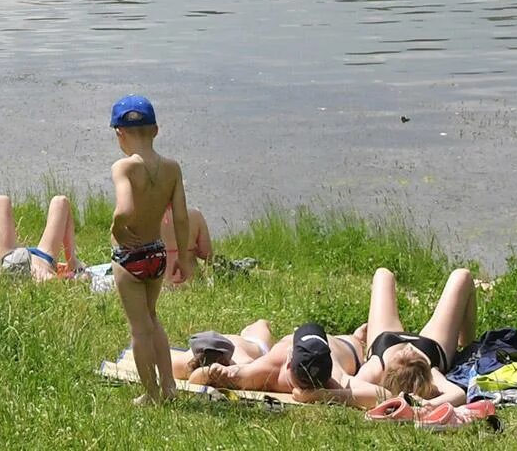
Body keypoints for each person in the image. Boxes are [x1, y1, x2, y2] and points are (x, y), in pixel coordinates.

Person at [107, 95, 194, 405]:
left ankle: (152, 393)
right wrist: (182, 256)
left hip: (129, 258)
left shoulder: (124, 167)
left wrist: (117, 229)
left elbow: (124, 209)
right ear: (155, 130)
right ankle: (169, 384)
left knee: (139, 327)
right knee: (153, 318)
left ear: (119, 133)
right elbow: (181, 217)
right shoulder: (172, 168)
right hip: (156, 255)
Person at [295, 267, 478, 409]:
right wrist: (427, 404)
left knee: (383, 274)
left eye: (403, 356)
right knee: (462, 276)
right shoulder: (433, 374)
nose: (407, 349)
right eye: (412, 357)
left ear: (386, 375)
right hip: (431, 347)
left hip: (385, 342)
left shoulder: (375, 369)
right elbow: (458, 394)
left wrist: (316, 395)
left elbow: (346, 387)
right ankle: (468, 346)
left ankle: (466, 347)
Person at [191, 321, 370, 394]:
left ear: (290, 359)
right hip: (342, 346)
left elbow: (381, 395)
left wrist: (315, 397)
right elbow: (197, 378)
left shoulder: (333, 378)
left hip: (347, 346)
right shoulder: (266, 368)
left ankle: (357, 337)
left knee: (355, 341)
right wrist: (213, 373)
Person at [0, 193, 76, 283]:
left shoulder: (42, 275)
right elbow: (65, 279)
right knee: (60, 201)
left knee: (1, 200)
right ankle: (73, 263)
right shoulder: (43, 276)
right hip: (42, 259)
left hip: (17, 258)